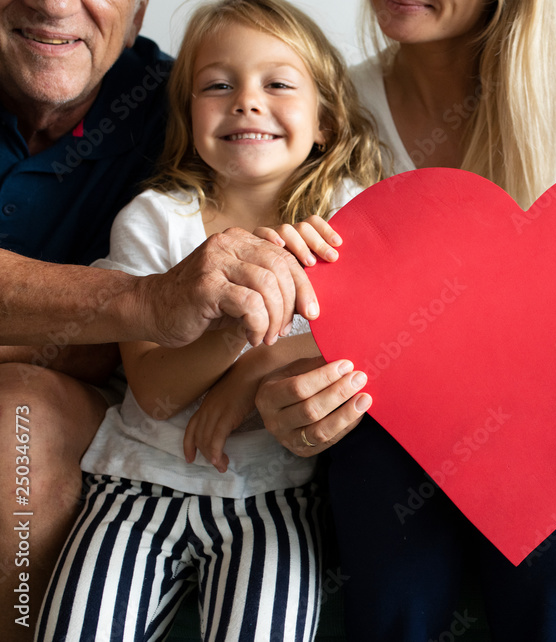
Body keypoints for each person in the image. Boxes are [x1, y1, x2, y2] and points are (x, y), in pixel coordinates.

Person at [253, 1, 556, 640]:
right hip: (390, 433)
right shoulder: (326, 106)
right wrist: (272, 385)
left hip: (551, 428)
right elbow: (301, 292)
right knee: (380, 464)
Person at [32, 1, 383, 639]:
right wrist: (241, 322)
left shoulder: (353, 223)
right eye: (218, 85)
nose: (246, 101)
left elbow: (383, 346)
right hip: (137, 487)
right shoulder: (154, 220)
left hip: (276, 498)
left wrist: (247, 377)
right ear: (188, 114)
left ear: (327, 120)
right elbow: (157, 392)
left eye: (277, 83)